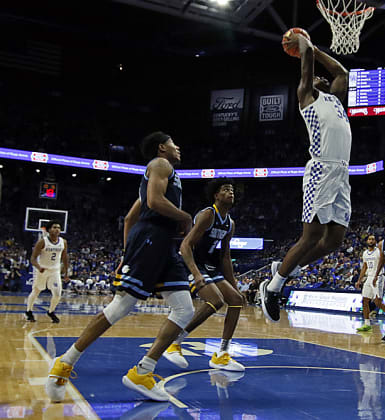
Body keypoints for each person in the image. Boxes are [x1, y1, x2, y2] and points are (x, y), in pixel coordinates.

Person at [45, 132, 195, 402]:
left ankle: (143, 371)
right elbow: (153, 203)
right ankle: (63, 364)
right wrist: (186, 217)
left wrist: (127, 254)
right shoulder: (161, 165)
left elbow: (128, 218)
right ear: (162, 148)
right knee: (120, 307)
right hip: (151, 237)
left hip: (161, 244)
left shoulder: (160, 175)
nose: (178, 147)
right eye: (174, 143)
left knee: (185, 308)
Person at [260, 31, 352, 322]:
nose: (318, 79)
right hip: (321, 170)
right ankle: (273, 287)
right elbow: (309, 62)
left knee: (335, 239)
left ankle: (286, 268)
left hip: (342, 171)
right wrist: (304, 46)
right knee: (311, 235)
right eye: (313, 78)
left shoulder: (336, 101)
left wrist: (315, 46)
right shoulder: (306, 99)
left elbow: (341, 72)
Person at [163, 178, 245, 372]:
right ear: (216, 195)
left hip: (208, 265)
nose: (230, 192)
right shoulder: (208, 214)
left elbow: (225, 256)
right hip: (188, 262)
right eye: (226, 189)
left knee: (235, 300)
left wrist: (234, 286)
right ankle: (174, 342)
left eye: (232, 190)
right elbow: (185, 245)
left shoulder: (230, 224)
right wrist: (196, 273)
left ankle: (221, 354)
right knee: (215, 301)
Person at [26, 221, 69, 323]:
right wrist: (38, 267)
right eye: (54, 227)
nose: (57, 229)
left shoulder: (63, 242)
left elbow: (65, 257)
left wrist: (66, 272)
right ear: (49, 230)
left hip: (55, 271)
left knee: (58, 293)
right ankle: (29, 311)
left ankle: (51, 311)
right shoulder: (42, 242)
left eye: (58, 227)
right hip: (42, 270)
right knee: (36, 291)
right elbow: (32, 258)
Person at [355, 235, 385, 332]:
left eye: (373, 239)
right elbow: (364, 267)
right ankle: (367, 324)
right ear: (367, 241)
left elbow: (384, 263)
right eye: (369, 239)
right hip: (369, 277)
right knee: (365, 300)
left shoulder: (379, 251)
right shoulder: (365, 253)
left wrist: (378, 275)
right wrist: (359, 280)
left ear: (375, 241)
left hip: (379, 277)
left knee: (377, 302)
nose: (371, 240)